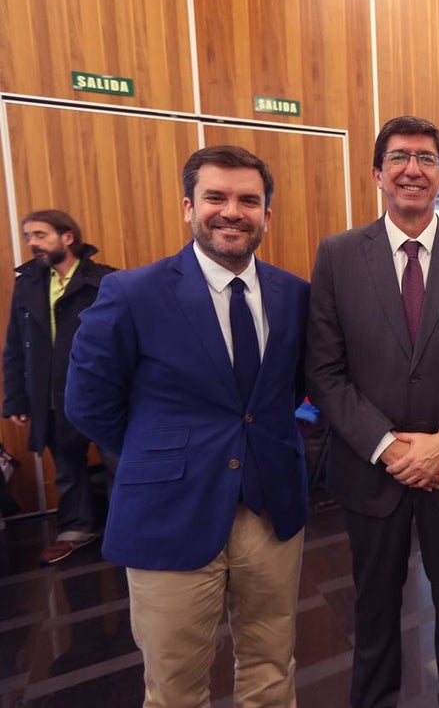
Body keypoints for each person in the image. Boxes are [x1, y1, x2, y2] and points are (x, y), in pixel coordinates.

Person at [65, 146, 311, 706]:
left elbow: (292, 386)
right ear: (188, 206)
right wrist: (162, 454)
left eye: (249, 200)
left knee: (273, 670)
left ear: (267, 214)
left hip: (271, 507)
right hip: (168, 511)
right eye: (215, 197)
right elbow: (88, 403)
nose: (232, 211)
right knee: (175, 687)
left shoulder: (294, 294)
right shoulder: (131, 293)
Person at [305, 115, 439, 708]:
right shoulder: (339, 255)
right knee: (372, 613)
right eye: (399, 158)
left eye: (426, 159)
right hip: (372, 471)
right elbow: (324, 370)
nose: (412, 169)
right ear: (377, 174)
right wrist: (389, 446)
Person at [2, 209, 116, 564]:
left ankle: (128, 526)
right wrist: (16, 399)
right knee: (68, 469)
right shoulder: (28, 285)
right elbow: (15, 345)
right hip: (51, 397)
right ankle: (76, 528)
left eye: (40, 235)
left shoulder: (105, 281)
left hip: (105, 394)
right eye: (28, 236)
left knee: (120, 464)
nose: (32, 243)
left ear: (67, 237)